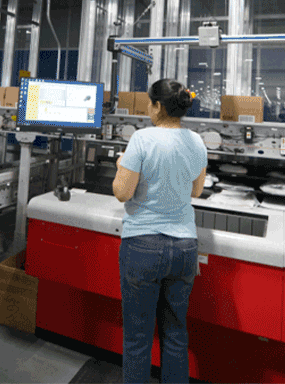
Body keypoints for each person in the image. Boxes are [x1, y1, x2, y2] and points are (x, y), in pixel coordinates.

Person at [112, 79, 208, 384]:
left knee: (138, 338)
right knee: (176, 333)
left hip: (142, 245)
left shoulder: (142, 139)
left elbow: (122, 193)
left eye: (149, 103)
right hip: (184, 248)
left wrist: (121, 167)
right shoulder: (197, 141)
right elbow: (196, 191)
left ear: (157, 106)